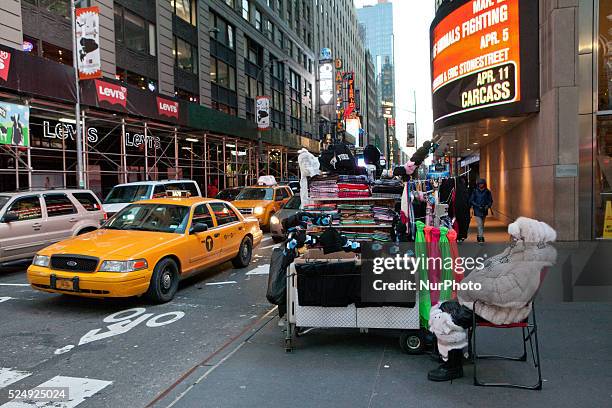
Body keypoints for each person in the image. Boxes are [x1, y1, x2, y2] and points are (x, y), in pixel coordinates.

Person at [427, 217, 557, 382]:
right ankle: (452, 354)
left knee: (447, 319)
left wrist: (474, 288)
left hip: (503, 310)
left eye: (516, 237)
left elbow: (506, 293)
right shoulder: (517, 253)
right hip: (490, 302)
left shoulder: (528, 262)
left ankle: (452, 366)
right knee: (445, 305)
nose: (512, 239)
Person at [470, 178, 493, 242]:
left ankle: (478, 235)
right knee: (479, 224)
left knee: (482, 224)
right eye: (480, 184)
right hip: (477, 210)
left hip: (484, 210)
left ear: (484, 184)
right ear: (478, 184)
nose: (481, 185)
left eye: (482, 183)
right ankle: (481, 237)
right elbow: (471, 200)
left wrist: (487, 206)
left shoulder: (487, 191)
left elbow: (490, 201)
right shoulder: (475, 191)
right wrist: (477, 205)